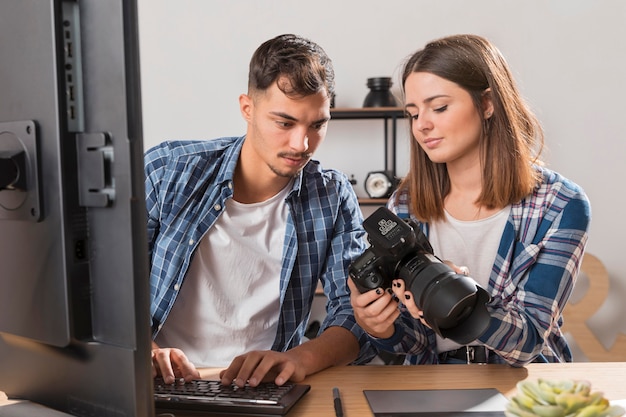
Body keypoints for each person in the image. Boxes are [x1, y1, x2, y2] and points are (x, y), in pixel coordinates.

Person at [146, 33, 375, 387]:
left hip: (266, 387)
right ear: (247, 109)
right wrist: (140, 350)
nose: (302, 144)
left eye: (317, 124)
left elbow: (354, 311)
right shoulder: (168, 171)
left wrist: (297, 360)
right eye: (284, 123)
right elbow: (104, 285)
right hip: (161, 382)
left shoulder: (332, 195)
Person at [348, 34, 591, 366]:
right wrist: (379, 326)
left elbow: (529, 340)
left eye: (439, 107)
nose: (423, 125)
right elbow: (412, 346)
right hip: (430, 384)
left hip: (523, 386)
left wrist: (457, 296)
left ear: (488, 103)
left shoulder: (559, 205)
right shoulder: (405, 205)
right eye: (413, 113)